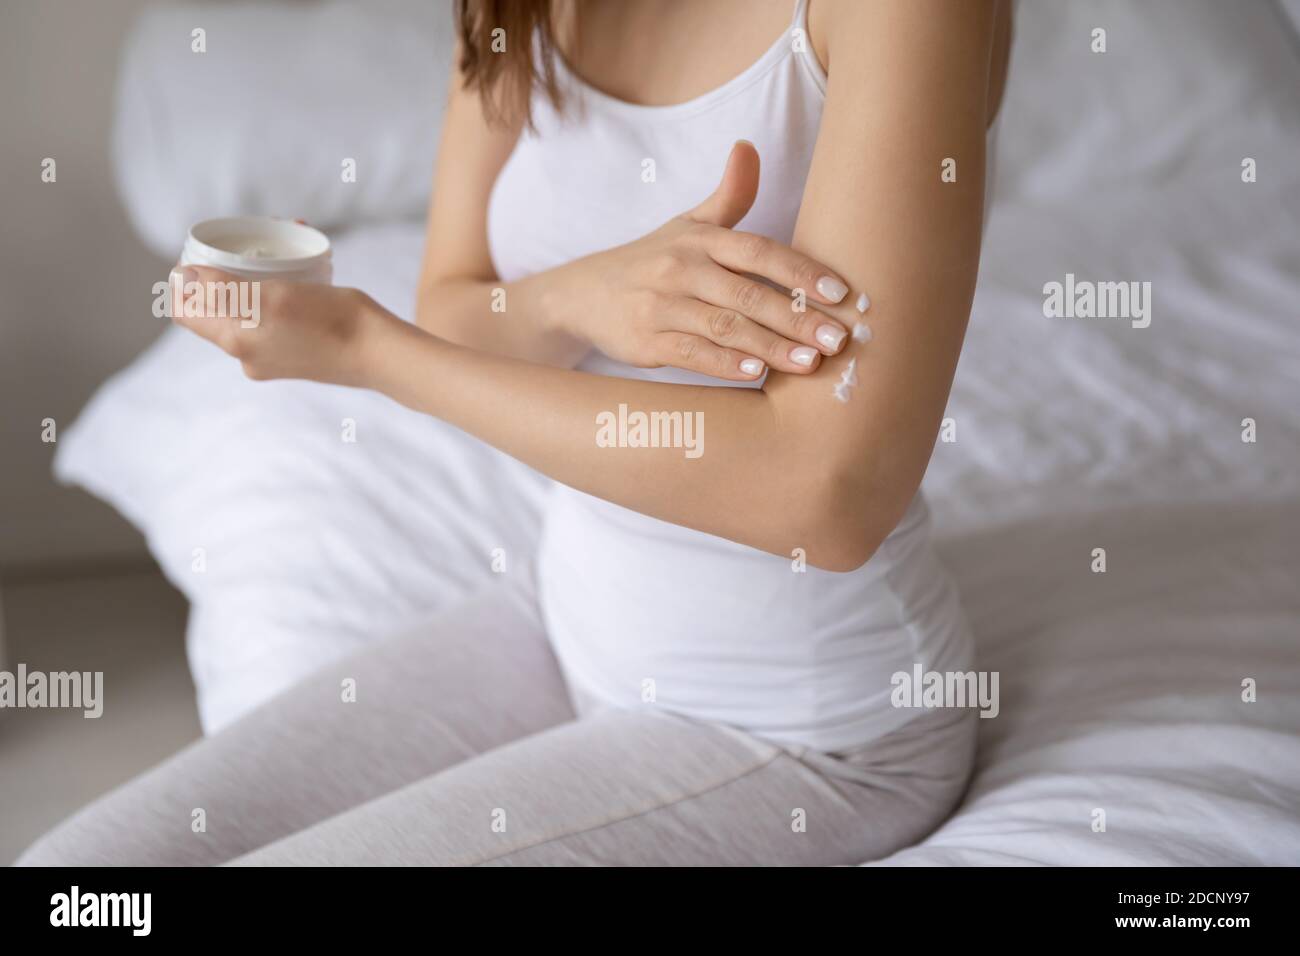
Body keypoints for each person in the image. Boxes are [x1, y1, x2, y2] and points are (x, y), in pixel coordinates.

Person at [20, 0, 1012, 866]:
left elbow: (826, 492)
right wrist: (584, 296)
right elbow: (457, 304)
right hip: (565, 618)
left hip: (808, 729)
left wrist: (370, 351)